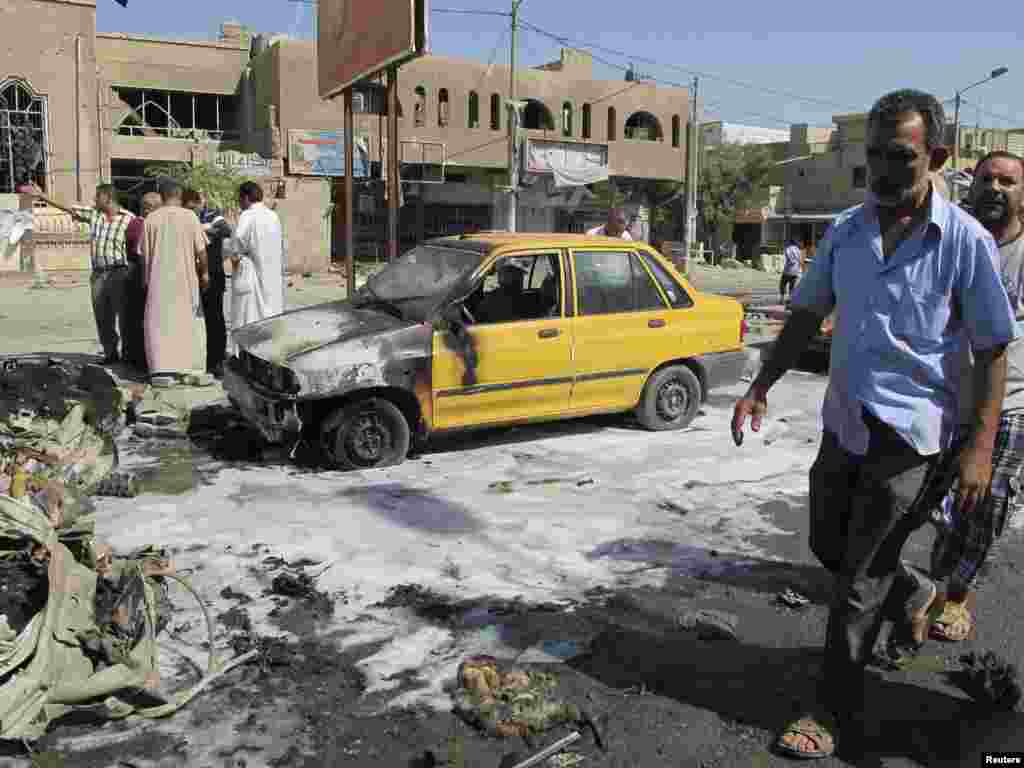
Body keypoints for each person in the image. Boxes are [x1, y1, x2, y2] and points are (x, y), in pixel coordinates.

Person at [730, 89, 1018, 759]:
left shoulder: (965, 243)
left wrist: (979, 451)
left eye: (901, 157)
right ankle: (911, 588)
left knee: (858, 579)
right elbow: (806, 312)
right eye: (874, 157)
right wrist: (760, 385)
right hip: (845, 424)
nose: (884, 173)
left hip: (914, 440)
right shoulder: (846, 230)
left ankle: (832, 709)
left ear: (936, 157)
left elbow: (994, 350)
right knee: (827, 545)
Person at [928, 151, 1024, 643]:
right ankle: (932, 581)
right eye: (986, 178)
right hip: (946, 397)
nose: (995, 188)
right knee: (932, 502)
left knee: (987, 505)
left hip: (1010, 404)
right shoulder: (956, 242)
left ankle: (957, 597)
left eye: (1007, 181)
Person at [35, 184, 135, 364]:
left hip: (119, 273)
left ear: (107, 198)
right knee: (103, 316)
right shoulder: (94, 215)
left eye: (97, 197)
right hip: (98, 274)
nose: (94, 200)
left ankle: (129, 354)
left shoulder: (129, 219)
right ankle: (111, 354)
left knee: (124, 316)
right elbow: (68, 206)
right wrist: (42, 196)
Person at [141, 180, 210, 386]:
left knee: (159, 323)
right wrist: (205, 273)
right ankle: (190, 368)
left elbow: (145, 256)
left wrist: (145, 279)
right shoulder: (190, 217)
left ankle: (161, 370)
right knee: (187, 323)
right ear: (179, 195)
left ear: (161, 196)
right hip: (185, 280)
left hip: (158, 281)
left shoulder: (150, 219)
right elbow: (201, 251)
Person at [183, 189, 231, 378]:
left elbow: (226, 231)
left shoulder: (212, 215)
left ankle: (217, 360)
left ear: (198, 203)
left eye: (192, 208)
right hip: (190, 276)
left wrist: (203, 229)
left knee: (215, 320)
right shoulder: (185, 217)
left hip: (212, 275)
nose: (190, 211)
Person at [227, 181, 284, 339]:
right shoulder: (273, 216)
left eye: (239, 199)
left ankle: (248, 361)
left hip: (251, 277)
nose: (239, 203)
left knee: (249, 322)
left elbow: (237, 242)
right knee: (269, 322)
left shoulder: (248, 215)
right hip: (271, 279)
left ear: (245, 198)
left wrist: (234, 256)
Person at [121, 192, 162, 372]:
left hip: (138, 274)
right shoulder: (140, 225)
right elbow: (143, 255)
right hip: (139, 274)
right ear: (149, 208)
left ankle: (136, 357)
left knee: (136, 318)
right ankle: (139, 359)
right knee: (140, 318)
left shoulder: (139, 223)